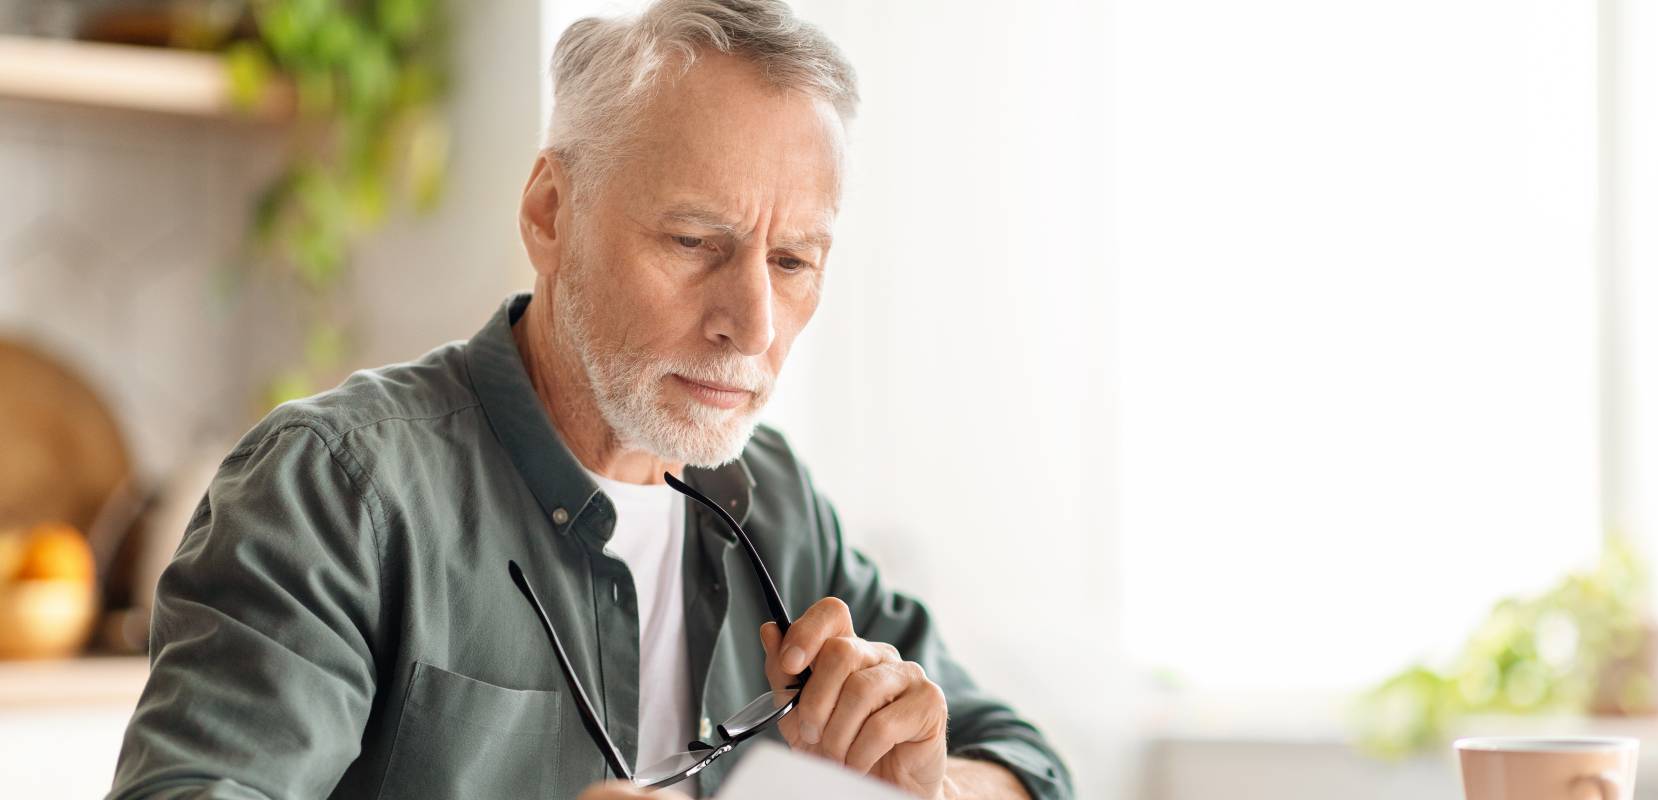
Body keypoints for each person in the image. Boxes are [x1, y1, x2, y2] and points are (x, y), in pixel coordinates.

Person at [106, 1, 1071, 798]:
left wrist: (931, 786)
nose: (754, 321)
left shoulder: (770, 500)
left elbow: (1035, 766)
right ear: (550, 213)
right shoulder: (336, 492)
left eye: (791, 261)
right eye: (695, 242)